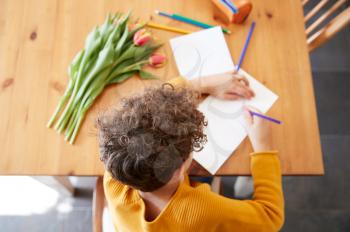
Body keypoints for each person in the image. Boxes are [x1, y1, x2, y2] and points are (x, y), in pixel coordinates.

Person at [97, 72, 284, 232]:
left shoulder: (114, 177)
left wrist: (203, 84)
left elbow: (148, 106)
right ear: (181, 169)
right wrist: (262, 146)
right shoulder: (203, 209)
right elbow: (271, 216)